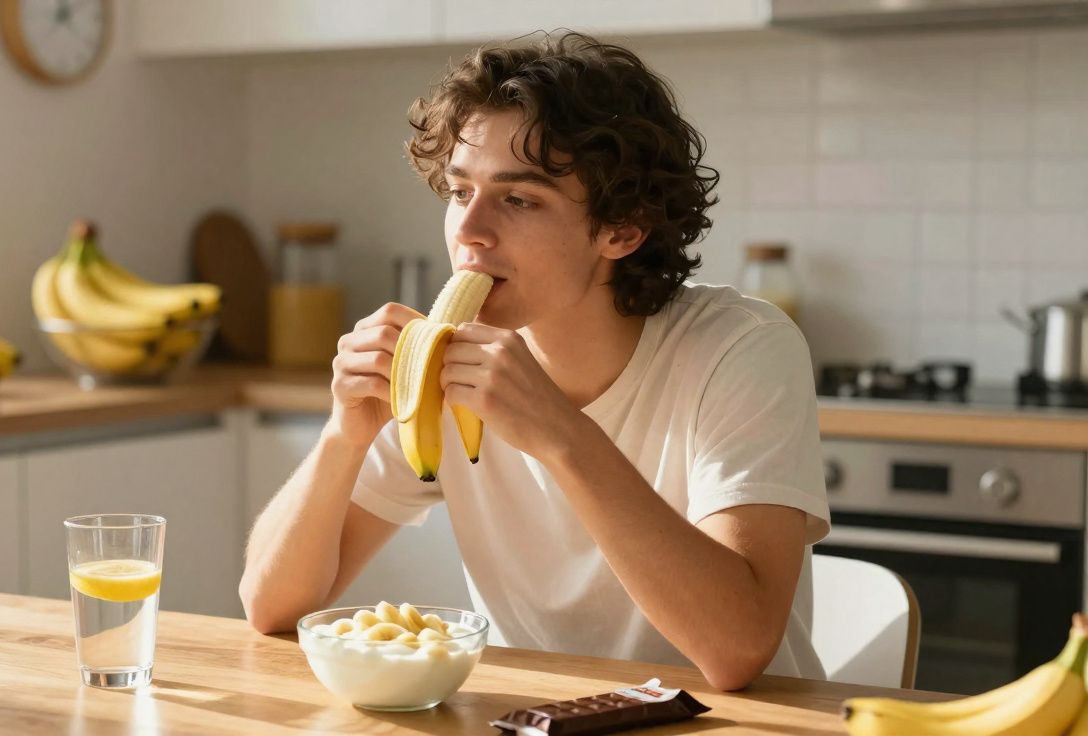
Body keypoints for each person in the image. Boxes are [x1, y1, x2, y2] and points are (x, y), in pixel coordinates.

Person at [239, 31, 830, 691]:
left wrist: (561, 433)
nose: (467, 230)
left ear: (622, 228)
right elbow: (271, 607)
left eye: (517, 199)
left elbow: (737, 648)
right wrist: (342, 436)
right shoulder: (444, 366)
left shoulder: (740, 347)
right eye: (461, 192)